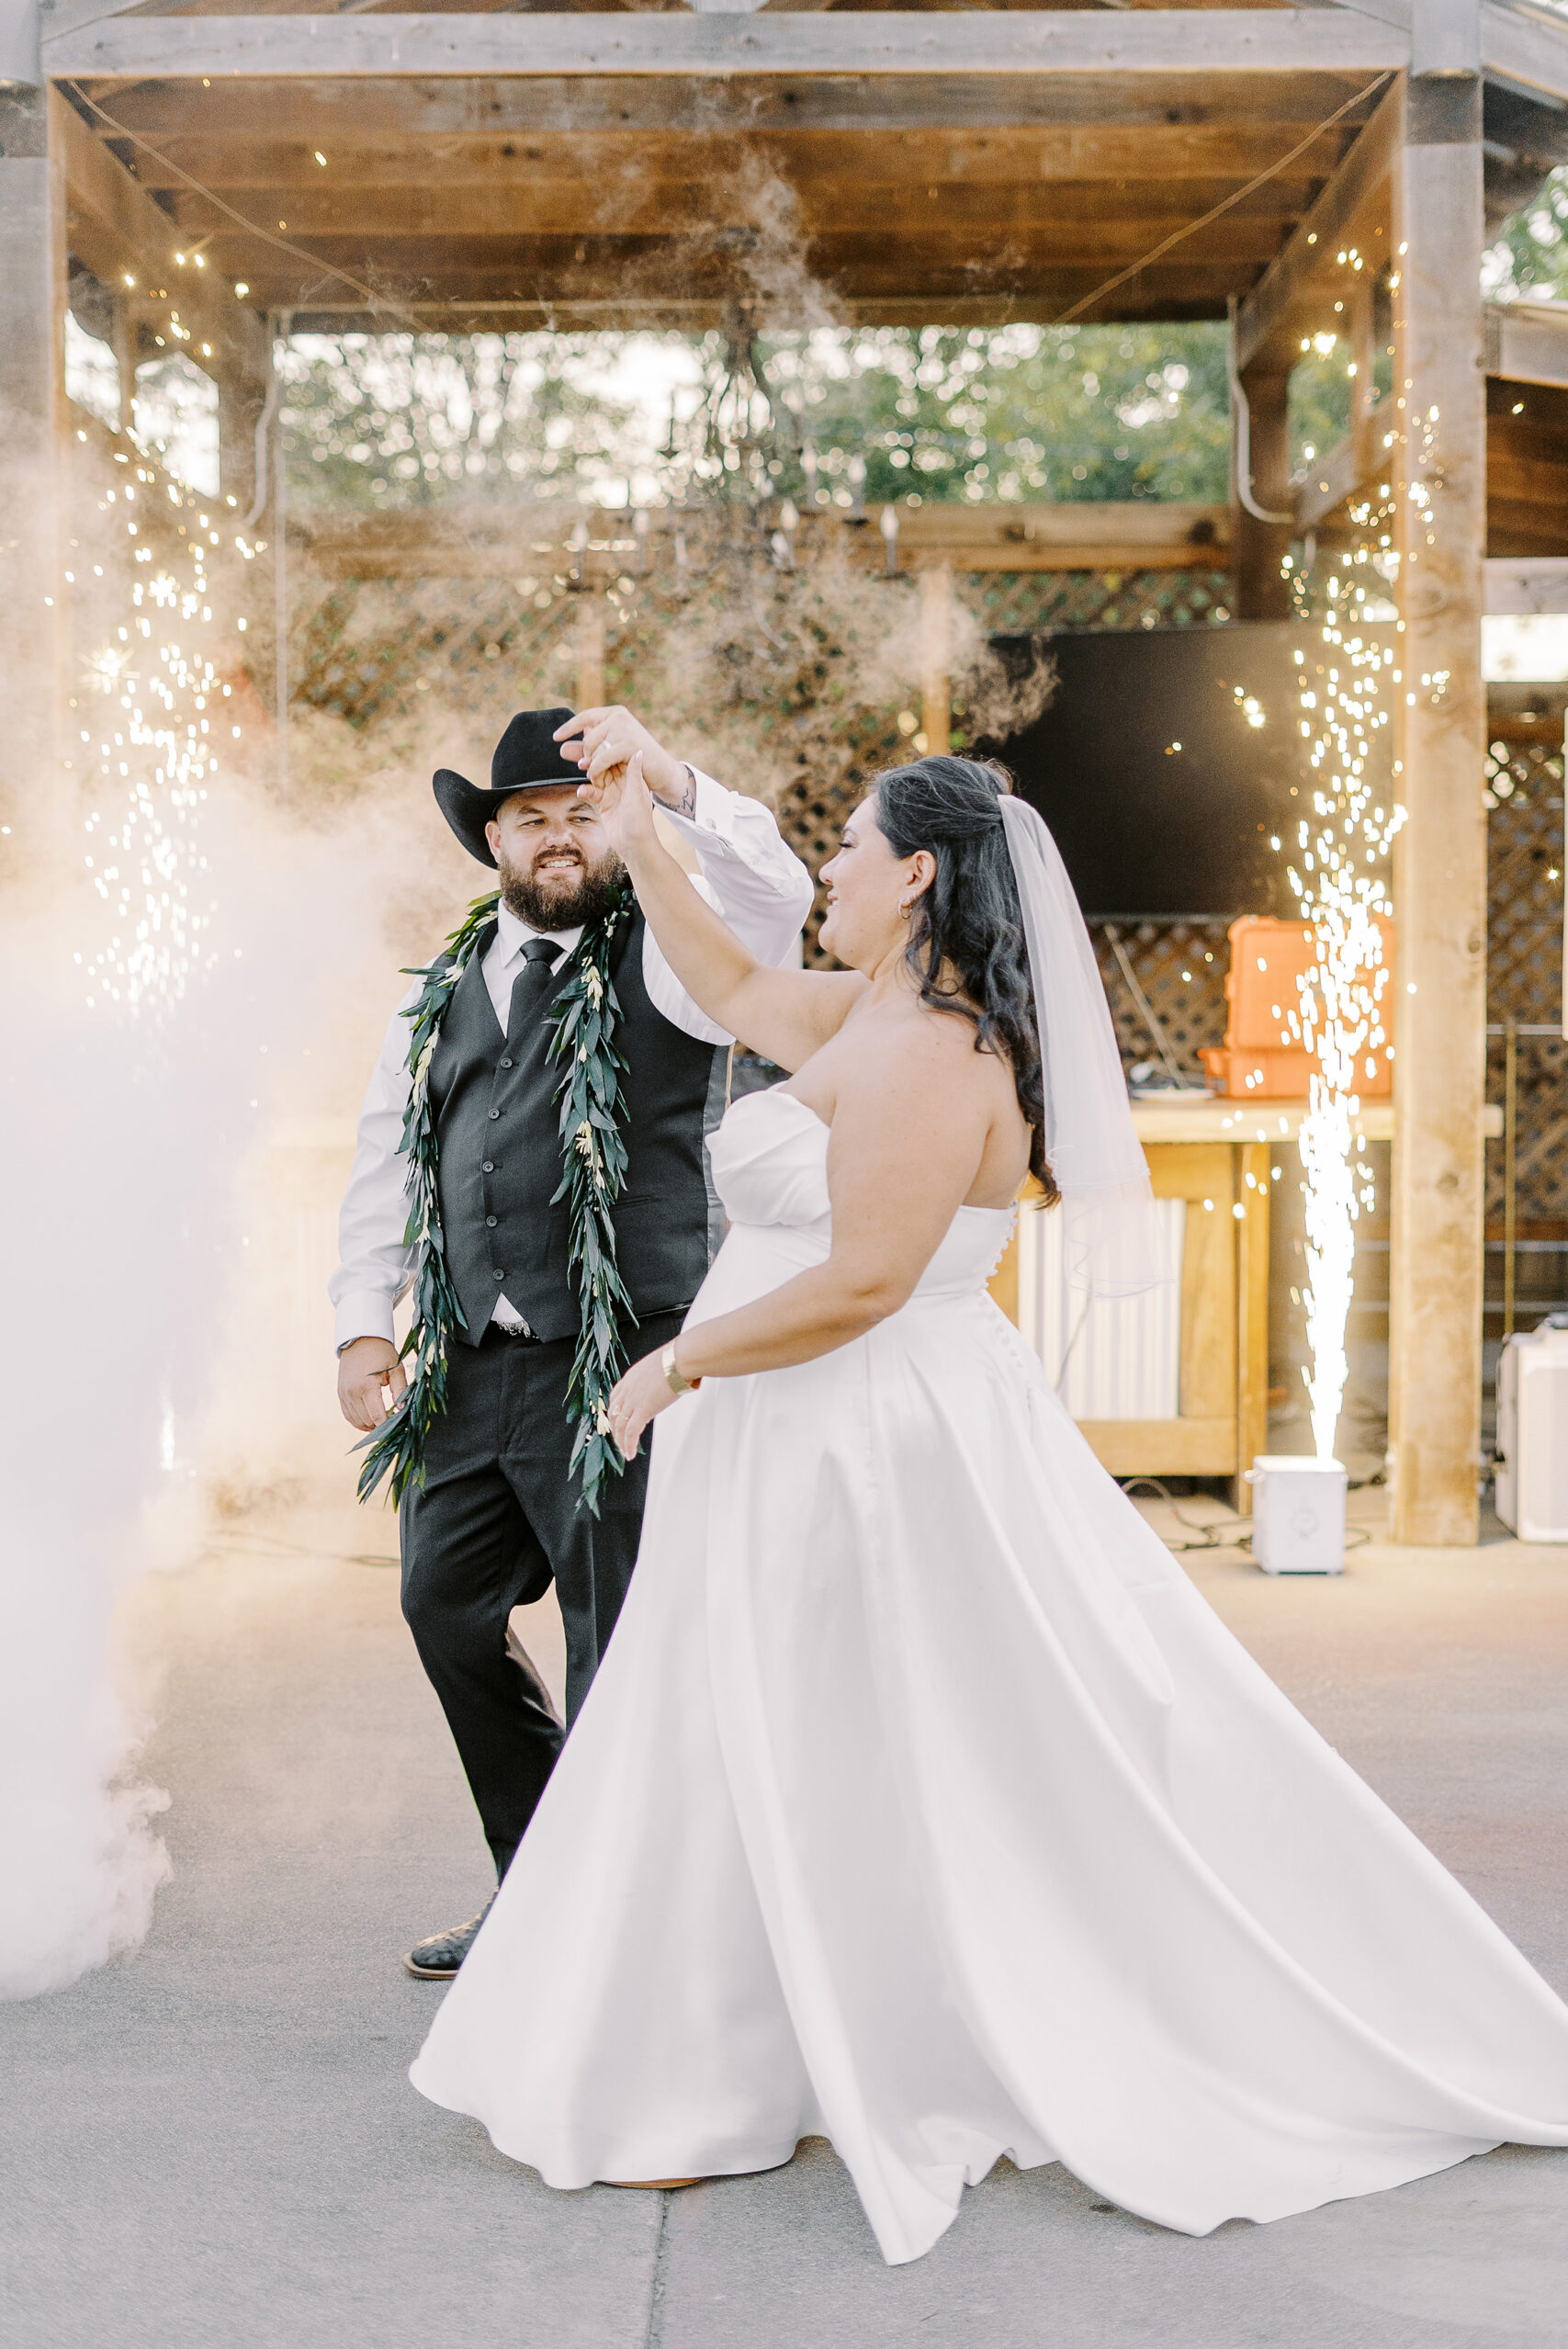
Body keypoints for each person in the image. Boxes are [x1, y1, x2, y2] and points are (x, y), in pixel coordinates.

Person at [410, 749, 1568, 2264]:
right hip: (804, 1433)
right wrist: (646, 838)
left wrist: (675, 1364)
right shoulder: (871, 1014)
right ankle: (749, 2040)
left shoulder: (932, 1054)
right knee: (777, 1730)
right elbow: (739, 992)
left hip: (866, 1439)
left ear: (919, 878)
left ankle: (797, 2048)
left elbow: (868, 1283)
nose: (826, 872)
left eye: (848, 851)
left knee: (904, 1731)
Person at [331, 706, 813, 1980]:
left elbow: (778, 897)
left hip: (620, 1364)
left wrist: (670, 778)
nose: (559, 838)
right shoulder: (439, 992)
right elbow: (386, 1158)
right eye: (533, 817)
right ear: (491, 836)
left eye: (583, 812)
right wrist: (359, 1326)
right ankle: (544, 1879)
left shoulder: (669, 959)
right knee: (442, 1608)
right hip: (469, 1369)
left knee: (618, 1644)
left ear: (619, 826)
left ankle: (620, 1939)